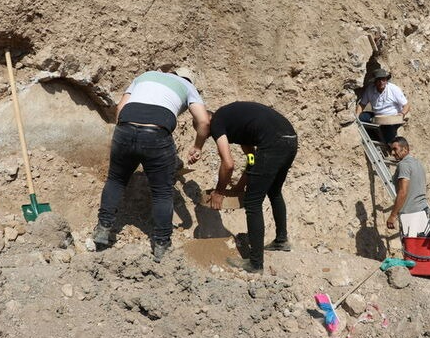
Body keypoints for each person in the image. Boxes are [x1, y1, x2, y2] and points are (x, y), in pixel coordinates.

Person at [93, 67, 210, 262]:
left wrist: (127, 133)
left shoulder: (144, 76)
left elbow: (120, 109)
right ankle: (162, 245)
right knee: (162, 192)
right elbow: (204, 122)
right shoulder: (187, 85)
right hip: (156, 133)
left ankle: (103, 229)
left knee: (115, 180)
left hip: (125, 127)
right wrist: (197, 146)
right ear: (187, 79)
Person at [209, 102, 298, 274]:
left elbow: (228, 164)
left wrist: (219, 192)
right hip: (289, 140)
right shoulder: (241, 126)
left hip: (274, 143)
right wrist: (241, 185)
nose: (207, 136)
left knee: (253, 202)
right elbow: (251, 158)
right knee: (274, 191)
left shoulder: (216, 122)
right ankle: (281, 240)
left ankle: (255, 263)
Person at [386, 136, 430, 231]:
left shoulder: (404, 165)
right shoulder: (418, 164)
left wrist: (393, 215)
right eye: (392, 150)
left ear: (405, 149)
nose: (392, 153)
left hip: (410, 215)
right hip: (422, 212)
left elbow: (403, 191)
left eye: (395, 149)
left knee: (411, 245)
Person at [355, 68, 410, 143]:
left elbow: (406, 105)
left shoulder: (393, 89)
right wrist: (357, 115)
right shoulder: (370, 89)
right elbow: (362, 104)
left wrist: (402, 114)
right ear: (375, 81)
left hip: (392, 118)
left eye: (383, 80)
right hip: (377, 116)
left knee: (388, 134)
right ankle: (373, 137)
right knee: (362, 118)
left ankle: (389, 145)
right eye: (379, 80)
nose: (381, 82)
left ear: (386, 80)